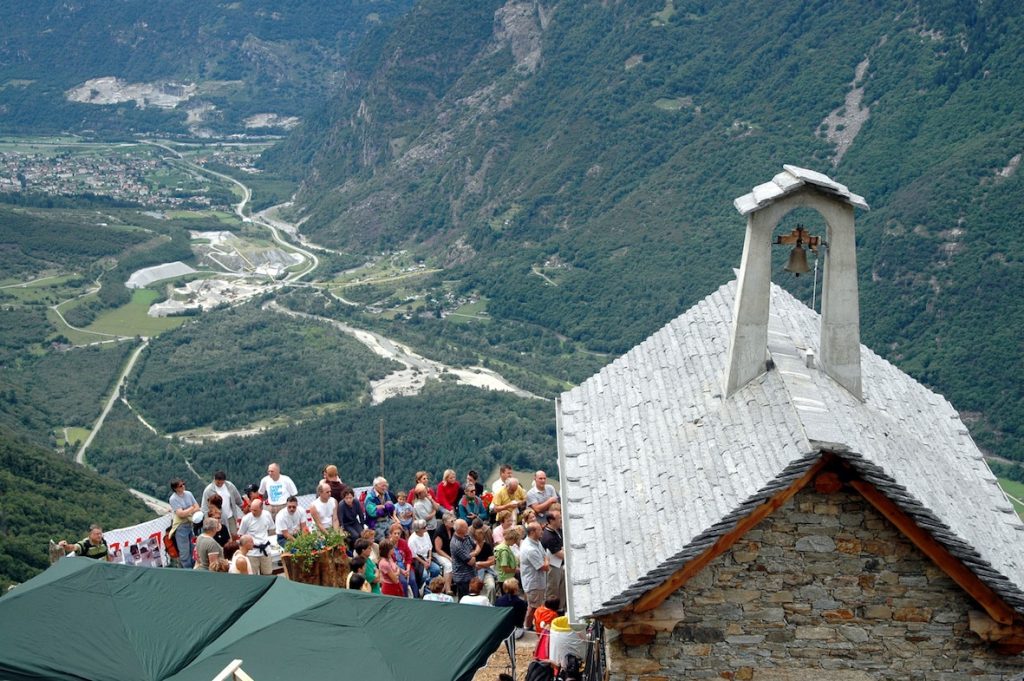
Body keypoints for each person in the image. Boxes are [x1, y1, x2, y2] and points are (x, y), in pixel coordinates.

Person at [520, 521, 550, 628]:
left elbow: (545, 555)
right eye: (539, 530)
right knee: (532, 607)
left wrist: (545, 559)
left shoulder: (536, 542)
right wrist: (546, 560)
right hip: (534, 583)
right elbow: (544, 567)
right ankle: (527, 626)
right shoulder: (530, 549)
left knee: (535, 606)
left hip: (538, 581)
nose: (542, 532)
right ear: (532, 532)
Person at [201, 471, 244, 538]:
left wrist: (242, 507)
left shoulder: (230, 486)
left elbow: (237, 498)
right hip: (217, 518)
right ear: (214, 479)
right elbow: (204, 508)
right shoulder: (208, 490)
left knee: (234, 535)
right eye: (218, 482)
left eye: (222, 482)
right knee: (223, 536)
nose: (220, 484)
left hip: (230, 516)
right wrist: (207, 520)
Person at [237, 499, 275, 575]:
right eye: (252, 510)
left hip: (265, 550)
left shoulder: (267, 515)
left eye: (255, 510)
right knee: (252, 575)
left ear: (261, 509)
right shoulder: (246, 519)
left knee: (268, 574)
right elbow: (241, 534)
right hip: (252, 552)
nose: (253, 512)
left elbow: (271, 528)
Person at [168, 478, 200, 569]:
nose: (183, 486)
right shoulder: (173, 499)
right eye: (180, 486)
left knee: (193, 548)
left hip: (191, 524)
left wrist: (188, 510)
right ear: (175, 488)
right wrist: (191, 508)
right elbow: (180, 514)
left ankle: (195, 567)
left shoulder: (189, 494)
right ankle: (187, 570)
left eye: (183, 484)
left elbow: (197, 507)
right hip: (181, 526)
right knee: (184, 552)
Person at [541, 509, 566, 612]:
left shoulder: (558, 530)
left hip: (560, 566)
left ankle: (560, 609)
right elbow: (560, 554)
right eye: (558, 518)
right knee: (553, 591)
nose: (561, 520)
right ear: (551, 520)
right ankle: (549, 612)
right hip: (553, 567)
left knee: (562, 590)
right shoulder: (548, 536)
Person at [408, 519, 440, 597]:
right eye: (424, 527)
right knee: (424, 575)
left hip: (427, 558)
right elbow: (414, 555)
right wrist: (424, 563)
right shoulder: (412, 540)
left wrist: (429, 558)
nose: (426, 528)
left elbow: (430, 547)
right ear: (418, 530)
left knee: (436, 569)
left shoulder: (426, 534)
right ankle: (421, 586)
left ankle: (428, 586)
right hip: (418, 561)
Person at [450, 518, 477, 599]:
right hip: (462, 578)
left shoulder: (466, 536)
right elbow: (471, 562)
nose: (468, 528)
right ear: (459, 530)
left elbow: (476, 546)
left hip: (471, 574)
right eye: (465, 527)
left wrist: (472, 553)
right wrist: (475, 553)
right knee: (464, 599)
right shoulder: (456, 544)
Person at [432, 512, 456, 592]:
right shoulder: (440, 532)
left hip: (448, 552)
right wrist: (449, 557)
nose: (454, 523)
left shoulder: (453, 529)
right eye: (451, 521)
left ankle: (452, 584)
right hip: (437, 553)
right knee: (448, 565)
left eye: (454, 521)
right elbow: (438, 549)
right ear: (445, 522)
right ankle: (447, 589)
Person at [473, 524, 497, 602]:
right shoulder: (471, 546)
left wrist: (480, 563)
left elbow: (492, 561)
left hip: (486, 571)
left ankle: (490, 604)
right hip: (474, 572)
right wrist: (480, 564)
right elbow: (471, 562)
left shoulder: (487, 546)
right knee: (474, 588)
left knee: (491, 586)